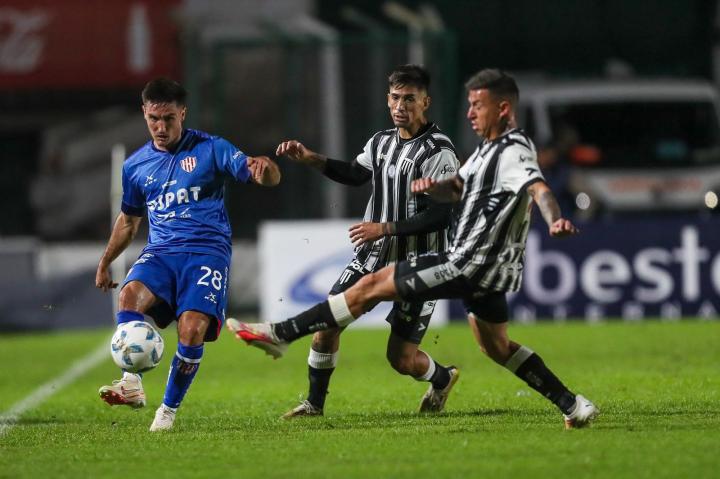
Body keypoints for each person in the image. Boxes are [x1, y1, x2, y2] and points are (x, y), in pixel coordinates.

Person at [233, 69, 599, 428]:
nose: (470, 113)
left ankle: (280, 334)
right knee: (494, 347)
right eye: (395, 97)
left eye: (477, 105)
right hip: (444, 262)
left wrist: (554, 219)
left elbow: (534, 189)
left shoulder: (491, 149)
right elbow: (447, 188)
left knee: (385, 321)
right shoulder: (471, 149)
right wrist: (314, 159)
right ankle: (572, 404)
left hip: (447, 259)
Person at [227, 64, 461, 418]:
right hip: (372, 257)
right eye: (395, 98)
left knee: (401, 359)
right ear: (387, 99)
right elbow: (355, 174)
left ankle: (442, 378)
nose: (401, 106)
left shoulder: (438, 151)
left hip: (419, 263)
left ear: (425, 102)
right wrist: (311, 159)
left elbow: (442, 214)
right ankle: (314, 404)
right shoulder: (381, 141)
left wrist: (384, 228)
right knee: (328, 324)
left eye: (409, 99)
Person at [95, 78, 281, 431]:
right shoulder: (135, 166)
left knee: (192, 329)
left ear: (183, 113)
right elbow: (129, 221)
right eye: (154, 119)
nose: (161, 127)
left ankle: (167, 411)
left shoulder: (212, 149)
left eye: (169, 118)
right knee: (130, 296)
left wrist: (266, 168)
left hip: (206, 253)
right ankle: (131, 384)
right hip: (162, 252)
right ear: (144, 114)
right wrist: (105, 261)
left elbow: (266, 177)